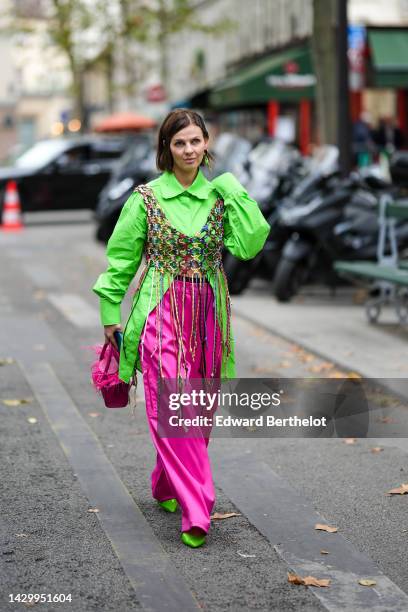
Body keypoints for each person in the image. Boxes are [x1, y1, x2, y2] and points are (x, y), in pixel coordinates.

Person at [92, 108, 270, 548]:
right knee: (175, 408)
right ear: (166, 149)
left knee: (199, 412)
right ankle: (197, 509)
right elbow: (120, 262)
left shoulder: (219, 198)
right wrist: (110, 315)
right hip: (161, 311)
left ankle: (166, 483)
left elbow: (249, 245)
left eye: (196, 141)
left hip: (209, 314)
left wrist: (232, 188)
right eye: (179, 143)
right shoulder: (145, 199)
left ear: (207, 143)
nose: (189, 150)